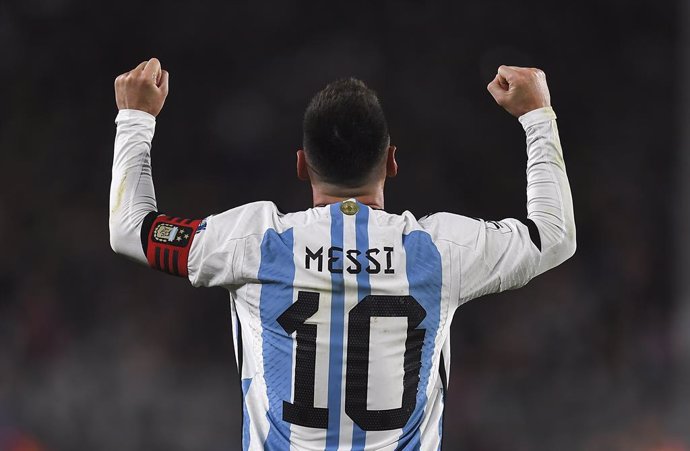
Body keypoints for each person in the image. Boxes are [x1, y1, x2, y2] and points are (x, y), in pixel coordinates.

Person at [109, 58, 575, 450]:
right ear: (392, 162)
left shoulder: (254, 243)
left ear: (300, 164)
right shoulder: (440, 251)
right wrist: (537, 116)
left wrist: (135, 119)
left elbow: (133, 229)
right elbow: (553, 235)